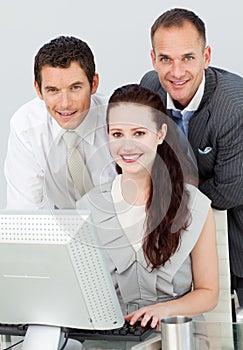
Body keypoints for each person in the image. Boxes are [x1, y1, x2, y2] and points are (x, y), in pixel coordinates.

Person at [77, 84, 219, 329]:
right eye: (117, 134)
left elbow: (208, 293)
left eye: (139, 133)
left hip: (178, 334)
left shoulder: (195, 205)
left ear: (160, 134)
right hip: (112, 339)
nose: (127, 146)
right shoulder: (88, 207)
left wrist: (164, 310)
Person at [140, 7, 243, 310]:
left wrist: (167, 196)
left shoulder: (234, 105)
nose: (176, 71)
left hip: (235, 238)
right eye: (165, 59)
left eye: (188, 57)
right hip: (179, 242)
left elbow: (228, 192)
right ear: (153, 58)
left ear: (206, 56)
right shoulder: (150, 88)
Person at [4, 35, 116, 210]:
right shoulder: (26, 128)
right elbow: (25, 213)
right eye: (53, 90)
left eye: (75, 88)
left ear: (94, 84)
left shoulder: (118, 118)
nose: (65, 104)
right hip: (58, 233)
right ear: (38, 90)